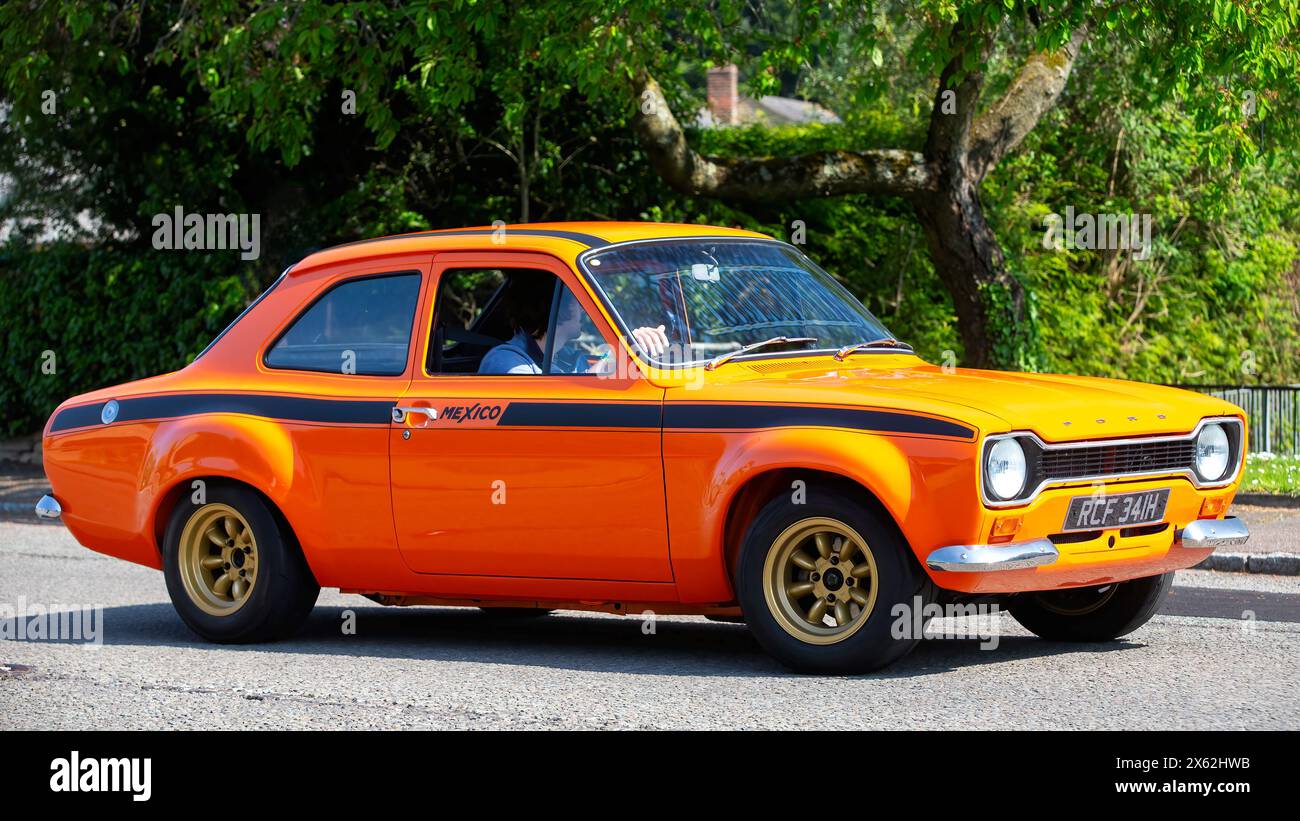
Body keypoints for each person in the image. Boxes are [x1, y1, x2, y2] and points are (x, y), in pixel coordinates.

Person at [479, 274, 669, 374]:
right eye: (577, 299)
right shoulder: (505, 362)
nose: (584, 309)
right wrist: (616, 356)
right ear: (555, 305)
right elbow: (545, 412)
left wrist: (633, 348)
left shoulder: (566, 357)